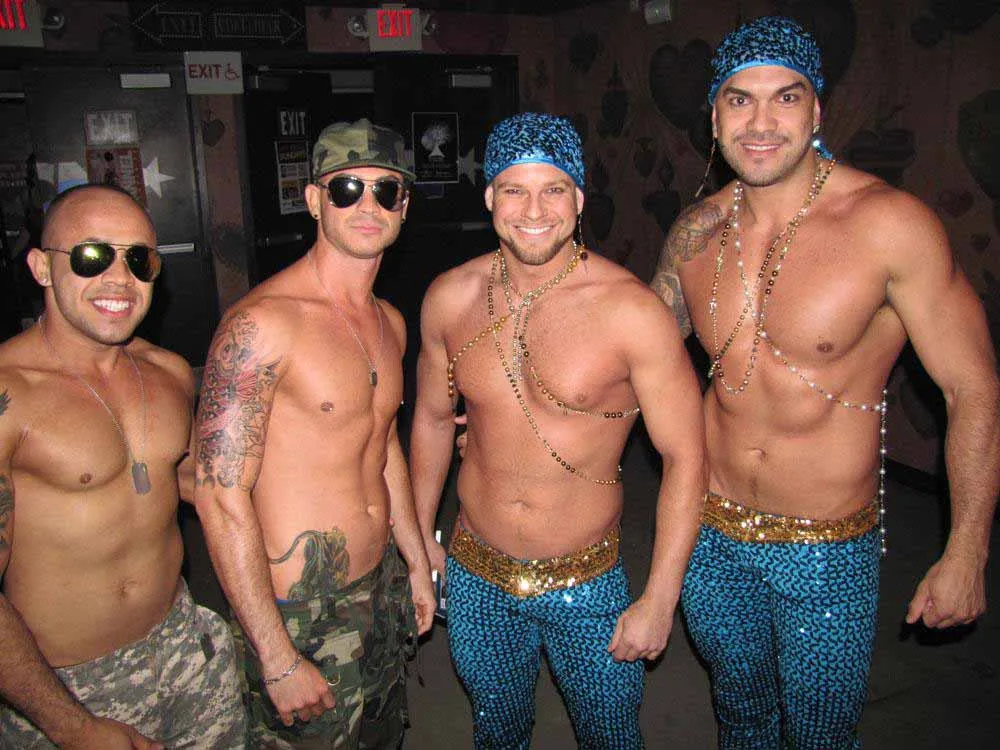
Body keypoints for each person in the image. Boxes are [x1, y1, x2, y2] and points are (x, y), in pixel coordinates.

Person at [650, 16, 1000, 750]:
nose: (761, 122)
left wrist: (967, 548)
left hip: (825, 548)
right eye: (740, 100)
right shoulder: (695, 231)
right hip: (709, 529)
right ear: (714, 117)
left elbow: (972, 387)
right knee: (740, 712)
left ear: (818, 110)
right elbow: (634, 359)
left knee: (821, 733)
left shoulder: (889, 226)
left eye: (786, 97)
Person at [410, 112, 706, 748]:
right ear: (490, 197)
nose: (533, 210)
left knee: (610, 735)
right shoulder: (449, 298)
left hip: (587, 580)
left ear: (579, 198)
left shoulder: (631, 312)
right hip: (475, 573)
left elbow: (686, 455)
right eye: (514, 190)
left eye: (553, 189)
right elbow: (432, 419)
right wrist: (420, 541)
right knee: (497, 731)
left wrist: (660, 599)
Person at [193, 119, 435, 749]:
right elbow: (218, 494)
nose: (367, 205)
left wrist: (414, 560)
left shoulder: (389, 322)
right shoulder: (263, 325)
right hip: (298, 612)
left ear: (404, 207)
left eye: (386, 190)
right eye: (347, 188)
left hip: (378, 587)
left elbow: (383, 446)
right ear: (313, 200)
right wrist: (275, 656)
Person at [0, 184, 245, 749]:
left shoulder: (170, 373)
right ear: (41, 267)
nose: (119, 279)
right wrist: (72, 726)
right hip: (65, 684)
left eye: (139, 259)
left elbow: (194, 483)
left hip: (184, 645)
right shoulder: (11, 396)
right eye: (91, 256)